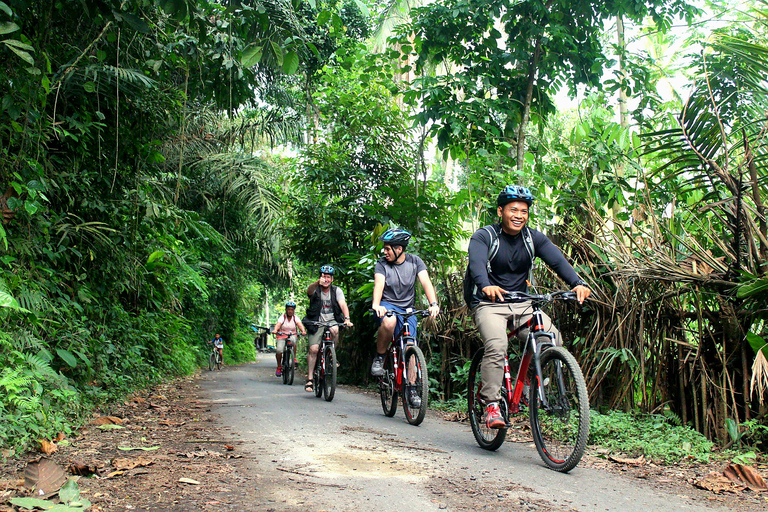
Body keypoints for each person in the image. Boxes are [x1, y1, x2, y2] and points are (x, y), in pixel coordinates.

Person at [468, 185, 591, 429]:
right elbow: (476, 264)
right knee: (497, 344)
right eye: (513, 209)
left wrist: (578, 283)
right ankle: (491, 404)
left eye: (524, 211)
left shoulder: (533, 238)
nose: (518, 215)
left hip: (522, 304)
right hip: (489, 303)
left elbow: (557, 260)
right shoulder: (484, 236)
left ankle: (522, 386)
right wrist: (485, 285)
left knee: (551, 337)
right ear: (500, 211)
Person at [370, 228, 440, 408]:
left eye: (387, 249)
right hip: (388, 305)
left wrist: (433, 304)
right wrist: (377, 305)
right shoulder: (382, 264)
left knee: (410, 346)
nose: (384, 252)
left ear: (399, 249)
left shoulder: (415, 262)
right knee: (390, 321)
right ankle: (380, 357)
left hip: (408, 308)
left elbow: (425, 282)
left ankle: (412, 388)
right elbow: (379, 284)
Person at [302, 265, 353, 393]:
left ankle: (331, 354)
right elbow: (309, 292)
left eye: (328, 277)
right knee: (313, 349)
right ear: (320, 277)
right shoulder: (316, 289)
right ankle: (309, 379)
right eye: (324, 276)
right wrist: (316, 283)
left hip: (332, 320)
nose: (326, 279)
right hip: (316, 321)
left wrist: (347, 318)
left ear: (332, 279)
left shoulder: (337, 291)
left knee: (335, 330)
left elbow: (342, 304)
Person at [271, 301, 307, 377]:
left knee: (293, 341)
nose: (290, 311)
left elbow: (299, 325)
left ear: (294, 310)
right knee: (279, 350)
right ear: (286, 310)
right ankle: (279, 366)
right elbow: (278, 324)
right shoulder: (282, 317)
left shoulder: (295, 318)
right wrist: (275, 330)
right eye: (288, 309)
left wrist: (303, 331)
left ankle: (294, 358)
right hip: (282, 335)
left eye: (291, 309)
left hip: (292, 334)